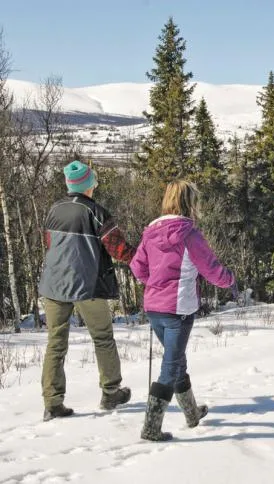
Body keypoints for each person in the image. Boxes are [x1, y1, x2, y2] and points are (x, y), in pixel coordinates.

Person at [130, 180, 236, 442]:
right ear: (190, 202)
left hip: (154, 307)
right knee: (171, 365)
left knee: (176, 361)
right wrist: (230, 280)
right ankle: (151, 428)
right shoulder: (189, 234)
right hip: (178, 310)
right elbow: (211, 269)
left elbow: (137, 267)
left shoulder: (150, 232)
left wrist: (155, 283)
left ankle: (191, 413)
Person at [39, 160, 135, 421]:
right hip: (87, 285)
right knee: (103, 337)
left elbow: (48, 244)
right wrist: (144, 261)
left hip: (53, 285)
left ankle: (52, 403)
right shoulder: (96, 212)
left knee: (55, 344)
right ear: (88, 184)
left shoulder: (54, 209)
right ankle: (111, 391)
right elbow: (118, 249)